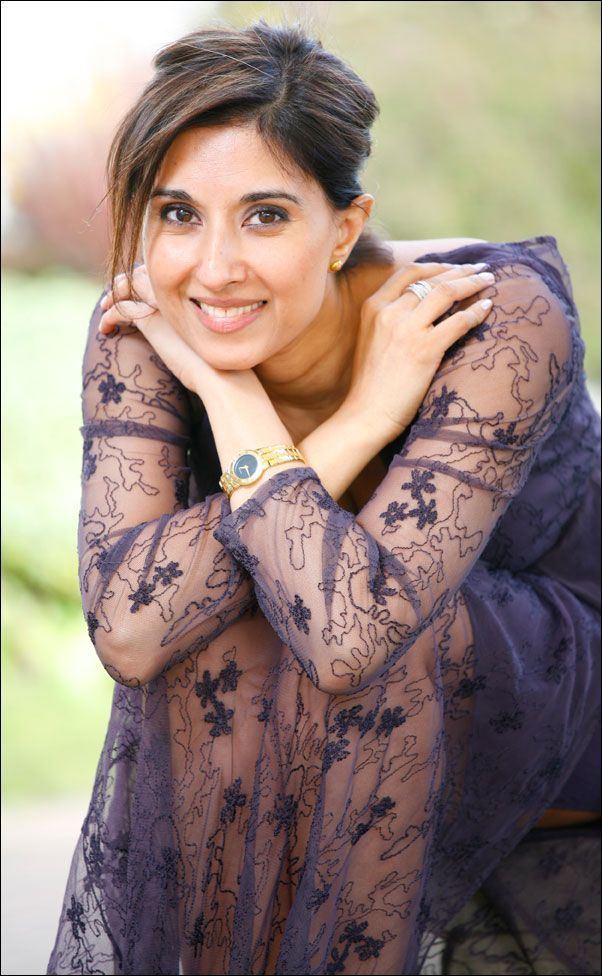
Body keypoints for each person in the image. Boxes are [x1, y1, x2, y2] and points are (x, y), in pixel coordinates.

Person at [46, 19, 600, 976]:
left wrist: (267, 430)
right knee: (220, 608)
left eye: (264, 215)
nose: (213, 268)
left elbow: (350, 635)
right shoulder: (146, 324)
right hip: (322, 707)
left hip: (543, 687)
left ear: (343, 226)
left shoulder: (494, 316)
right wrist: (276, 406)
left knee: (331, 613)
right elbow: (130, 632)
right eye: (177, 214)